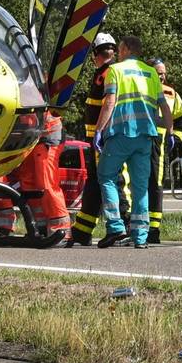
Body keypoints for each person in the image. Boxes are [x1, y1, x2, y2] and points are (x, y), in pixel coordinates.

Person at [92, 35, 172, 249]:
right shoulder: (151, 73)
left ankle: (115, 227)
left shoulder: (116, 71)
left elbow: (109, 101)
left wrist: (99, 130)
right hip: (146, 137)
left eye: (120, 48)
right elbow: (164, 106)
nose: (118, 52)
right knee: (140, 187)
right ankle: (140, 236)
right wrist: (170, 131)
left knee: (106, 176)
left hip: (121, 134)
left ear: (126, 49)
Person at [67, 32, 130, 247]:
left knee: (111, 179)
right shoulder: (106, 72)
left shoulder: (106, 73)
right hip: (100, 135)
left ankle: (126, 224)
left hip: (102, 136)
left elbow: (107, 104)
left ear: (96, 54)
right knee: (95, 180)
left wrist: (99, 134)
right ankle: (83, 230)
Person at [146, 58, 182, 244]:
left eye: (163, 72)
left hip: (160, 143)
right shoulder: (141, 89)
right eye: (158, 72)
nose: (162, 76)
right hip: (139, 139)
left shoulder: (171, 93)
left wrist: (177, 136)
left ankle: (153, 229)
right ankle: (133, 225)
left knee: (156, 183)